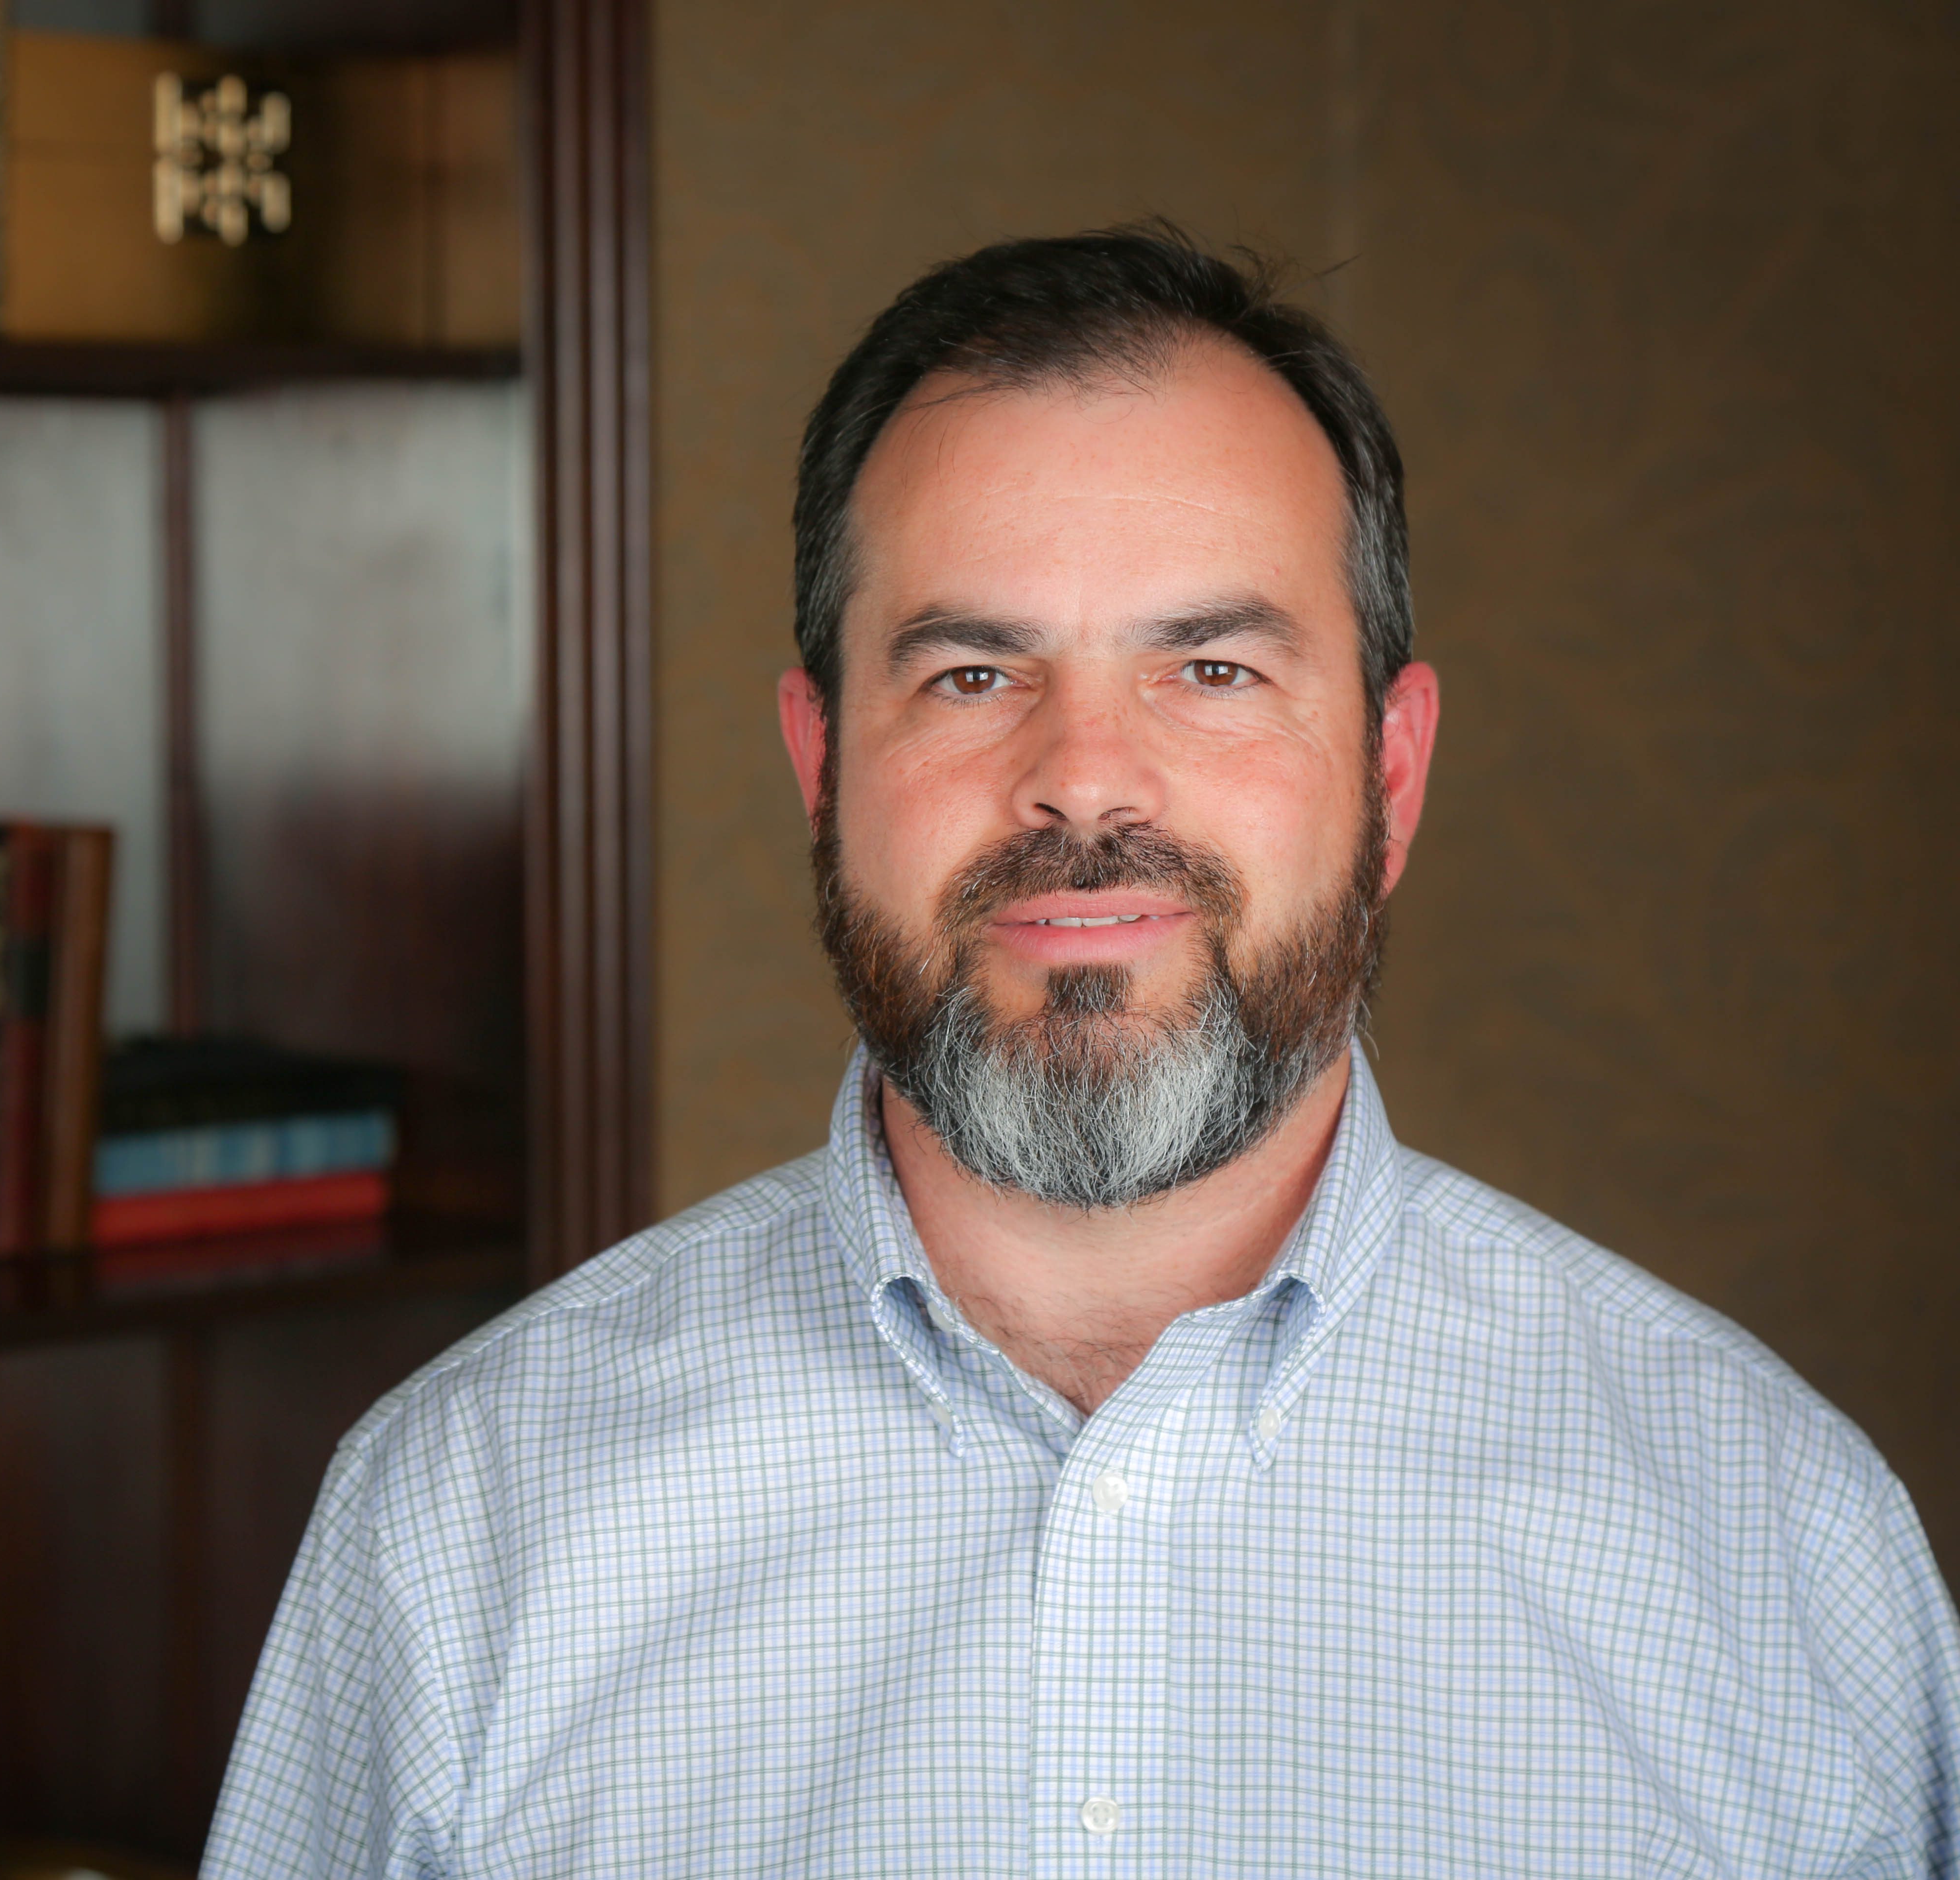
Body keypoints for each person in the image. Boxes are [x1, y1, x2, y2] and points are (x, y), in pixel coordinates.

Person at [203, 228, 1960, 1876]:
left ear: (1391, 773)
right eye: (970, 674)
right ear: (820, 767)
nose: (1086, 781)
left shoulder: (1776, 1547)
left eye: (1206, 667)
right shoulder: (454, 1522)